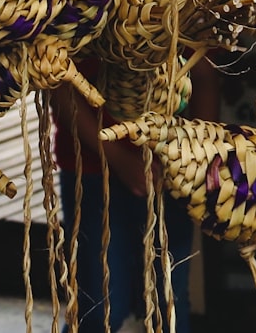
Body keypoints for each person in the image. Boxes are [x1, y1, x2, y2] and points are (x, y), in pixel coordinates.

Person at [51, 54, 220, 333]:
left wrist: (195, 160)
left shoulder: (184, 14)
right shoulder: (77, 16)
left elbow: (204, 75)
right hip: (91, 168)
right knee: (100, 307)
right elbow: (55, 84)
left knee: (168, 304)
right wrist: (116, 157)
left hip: (170, 174)